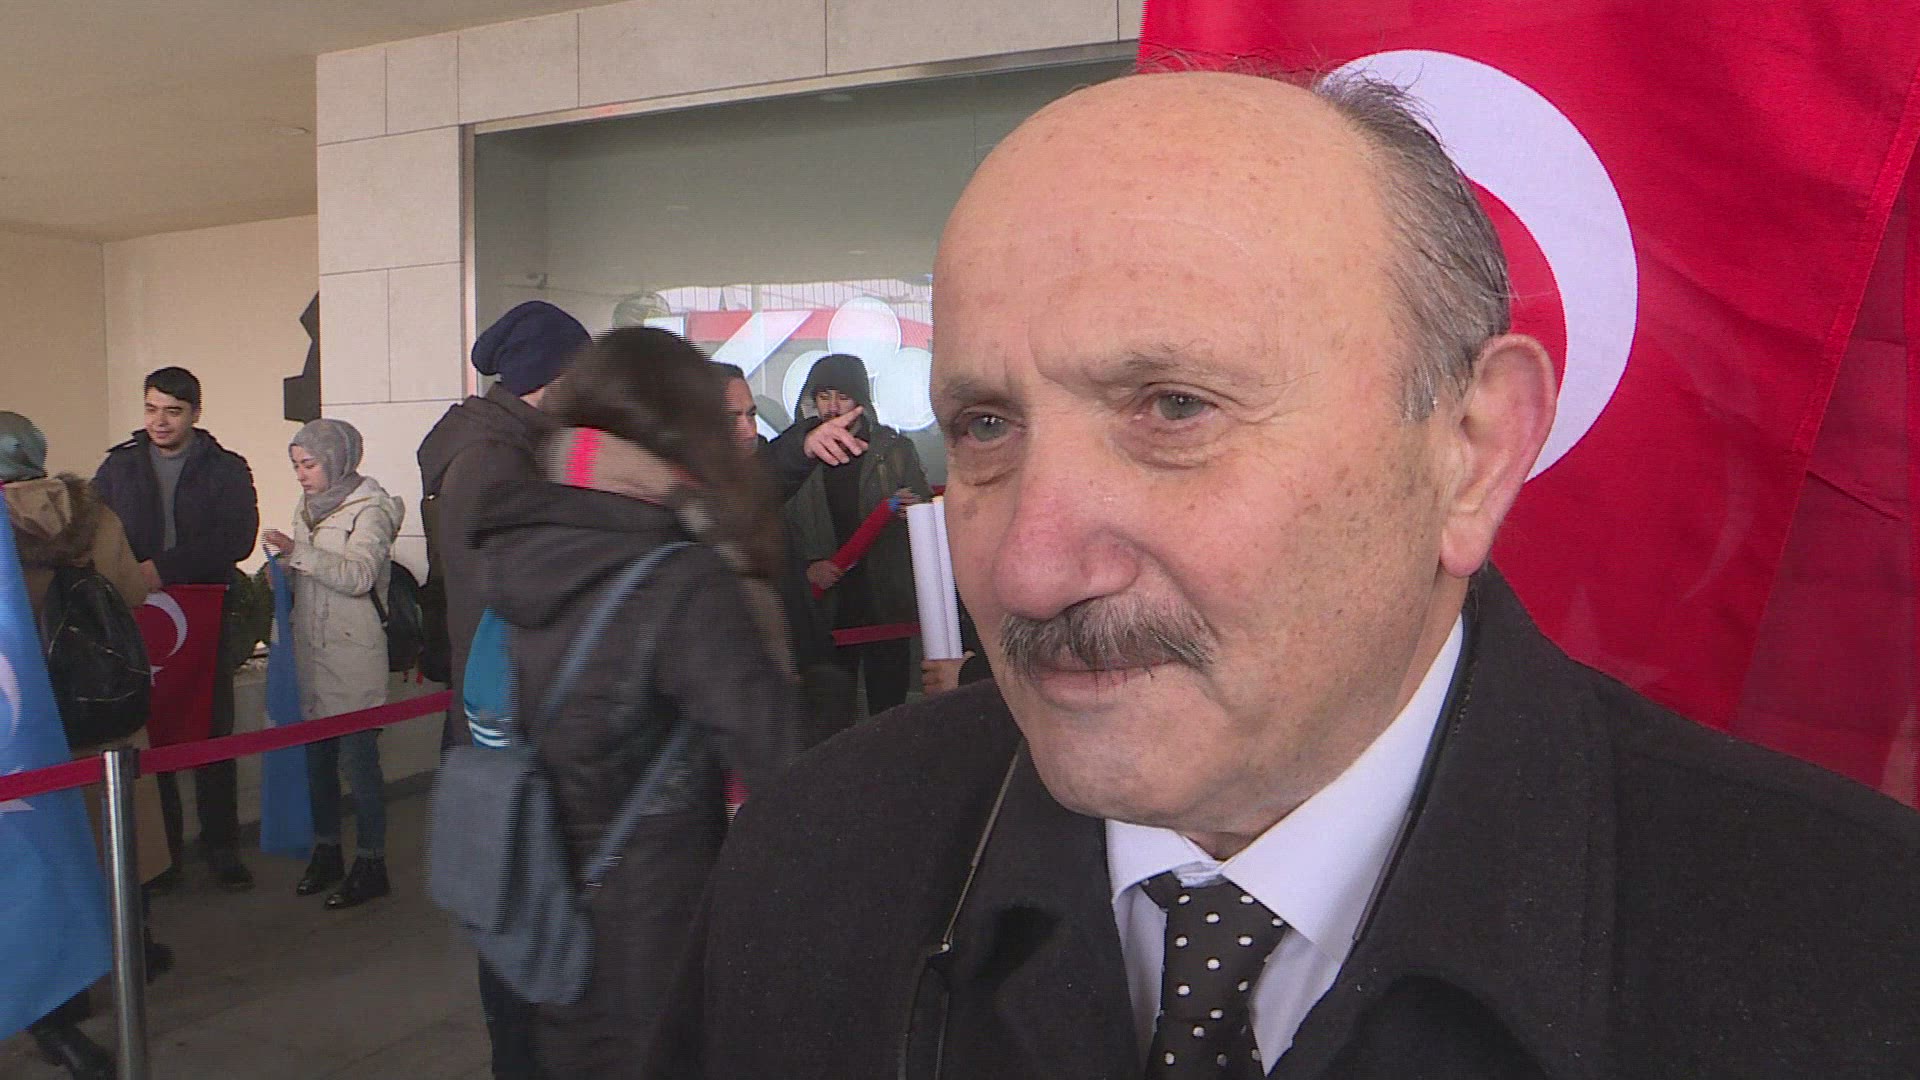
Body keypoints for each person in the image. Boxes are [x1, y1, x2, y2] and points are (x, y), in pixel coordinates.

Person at [649, 69, 1920, 1078]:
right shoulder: (813, 872)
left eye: (1175, 408)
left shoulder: (1852, 957)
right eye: (985, 425)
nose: (1030, 570)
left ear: (1472, 452)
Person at [472, 328, 802, 1076]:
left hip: (546, 895)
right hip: (664, 913)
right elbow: (779, 761)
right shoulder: (682, 575)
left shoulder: (526, 542)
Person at [419, 300, 586, 1079]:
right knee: (519, 923)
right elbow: (515, 597)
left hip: (496, 715)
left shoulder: (492, 445)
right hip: (506, 721)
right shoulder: (495, 460)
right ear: (550, 375)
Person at [4, 412, 170, 1080]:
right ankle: (128, 960)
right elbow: (132, 592)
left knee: (38, 859)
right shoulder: (91, 515)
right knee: (115, 843)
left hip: (22, 732)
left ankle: (58, 1003)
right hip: (101, 719)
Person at [91, 365, 258, 892]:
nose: (159, 421)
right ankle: (164, 856)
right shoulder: (119, 466)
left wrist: (165, 568)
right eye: (151, 408)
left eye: (172, 411)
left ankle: (222, 848)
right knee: (153, 731)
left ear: (195, 413)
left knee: (211, 730)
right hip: (138, 613)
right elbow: (93, 529)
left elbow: (237, 538)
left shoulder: (225, 468)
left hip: (205, 613)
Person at [261, 418, 403, 911]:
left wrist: (297, 553)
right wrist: (281, 571)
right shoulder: (307, 509)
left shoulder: (371, 509)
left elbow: (359, 576)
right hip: (311, 652)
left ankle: (371, 861)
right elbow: (311, 574)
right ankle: (327, 851)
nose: (301, 475)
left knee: (359, 768)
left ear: (337, 460)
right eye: (296, 466)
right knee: (317, 766)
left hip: (353, 653)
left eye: (310, 464)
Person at [712, 361, 857, 747]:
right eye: (732, 418)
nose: (749, 430)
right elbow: (759, 484)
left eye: (751, 414)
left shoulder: (755, 467)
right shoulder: (695, 493)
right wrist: (803, 446)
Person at [780, 354, 931, 717]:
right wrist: (805, 568)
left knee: (890, 709)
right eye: (823, 396)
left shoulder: (894, 450)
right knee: (831, 712)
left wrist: (913, 512)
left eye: (843, 396)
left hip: (885, 600)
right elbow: (778, 525)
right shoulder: (795, 454)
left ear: (861, 399)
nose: (832, 407)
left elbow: (926, 513)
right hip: (824, 605)